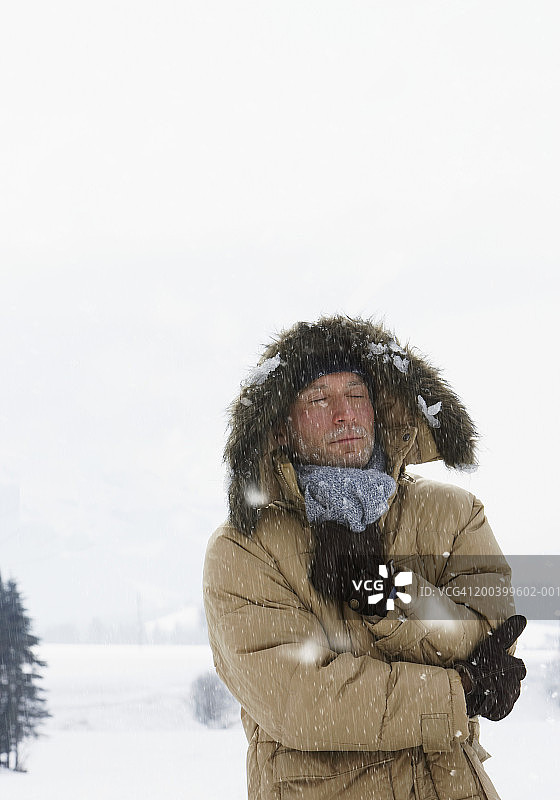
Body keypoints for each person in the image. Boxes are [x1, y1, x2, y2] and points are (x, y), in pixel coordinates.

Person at [203, 315, 526, 800]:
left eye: (356, 394)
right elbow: (304, 702)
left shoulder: (454, 513)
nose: (344, 415)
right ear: (282, 427)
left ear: (380, 409)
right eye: (319, 399)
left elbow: (490, 639)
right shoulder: (243, 548)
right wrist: (457, 692)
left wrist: (391, 595)